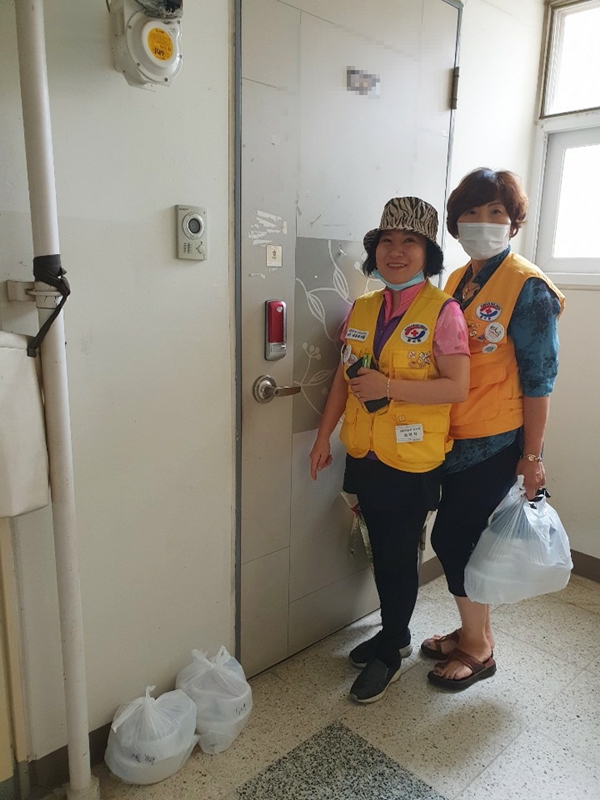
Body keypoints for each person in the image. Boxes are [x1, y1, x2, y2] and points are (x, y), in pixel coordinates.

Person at [309, 196, 470, 704]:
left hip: (412, 462)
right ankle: (392, 634)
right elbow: (344, 377)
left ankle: (392, 651)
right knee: (381, 549)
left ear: (428, 253)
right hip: (366, 454)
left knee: (398, 557)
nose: (395, 251)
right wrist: (323, 436)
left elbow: (457, 387)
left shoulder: (444, 312)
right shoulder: (363, 308)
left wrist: (390, 386)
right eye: (387, 241)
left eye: (410, 242)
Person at [422, 168, 564, 691]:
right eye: (472, 212)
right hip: (455, 433)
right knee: (463, 537)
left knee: (452, 537)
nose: (483, 222)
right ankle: (471, 631)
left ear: (513, 222)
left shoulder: (529, 288)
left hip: (497, 439)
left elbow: (539, 381)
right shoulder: (460, 279)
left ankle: (479, 650)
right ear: (457, 223)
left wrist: (532, 457)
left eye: (496, 212)